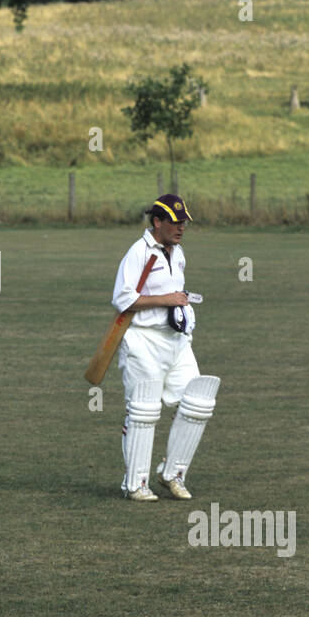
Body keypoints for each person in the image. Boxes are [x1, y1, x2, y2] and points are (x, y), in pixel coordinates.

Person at [111, 194, 220, 500]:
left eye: (183, 222)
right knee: (144, 411)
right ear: (156, 222)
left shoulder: (179, 252)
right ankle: (135, 483)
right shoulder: (138, 252)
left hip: (177, 340)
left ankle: (172, 473)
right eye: (174, 222)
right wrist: (167, 300)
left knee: (199, 401)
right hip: (143, 340)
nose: (180, 227)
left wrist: (180, 303)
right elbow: (123, 299)